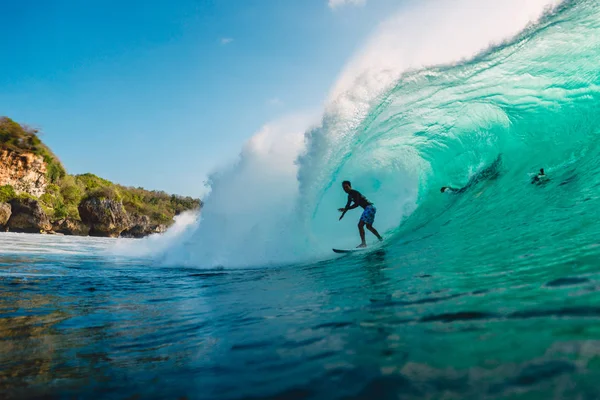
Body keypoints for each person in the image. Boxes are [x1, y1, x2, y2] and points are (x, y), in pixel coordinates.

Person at [338, 181, 383, 248]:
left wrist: (345, 209)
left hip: (369, 208)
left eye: (346, 187)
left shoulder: (355, 193)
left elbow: (357, 204)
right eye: (344, 188)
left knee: (360, 225)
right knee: (368, 227)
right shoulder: (349, 196)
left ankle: (363, 243)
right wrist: (343, 214)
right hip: (371, 208)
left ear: (350, 186)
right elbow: (347, 206)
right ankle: (380, 238)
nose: (345, 189)